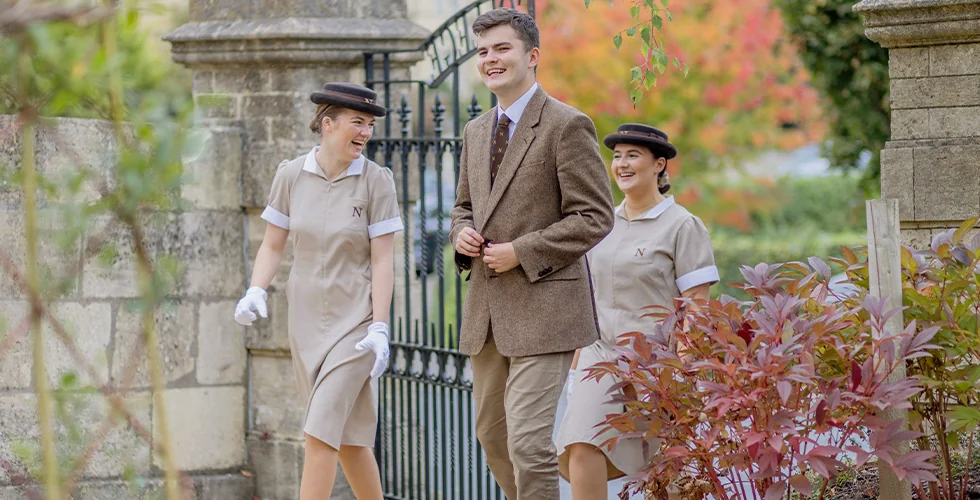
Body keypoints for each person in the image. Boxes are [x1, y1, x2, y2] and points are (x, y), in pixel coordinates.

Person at [449, 8, 615, 499]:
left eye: (502, 48)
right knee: (492, 439)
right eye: (483, 52)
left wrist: (522, 251)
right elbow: (463, 207)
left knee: (528, 442)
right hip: (487, 314)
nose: (491, 59)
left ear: (532, 55)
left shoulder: (568, 124)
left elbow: (594, 216)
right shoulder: (475, 132)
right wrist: (461, 235)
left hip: (547, 310)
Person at [233, 82, 402, 500]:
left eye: (369, 125)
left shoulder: (377, 181)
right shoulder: (290, 175)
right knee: (347, 439)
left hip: (355, 325)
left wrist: (380, 325)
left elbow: (383, 260)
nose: (365, 132)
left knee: (320, 429)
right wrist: (256, 289)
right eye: (357, 123)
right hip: (305, 324)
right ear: (327, 124)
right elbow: (273, 245)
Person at [555, 123, 719, 499]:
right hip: (601, 356)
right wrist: (577, 366)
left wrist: (682, 369)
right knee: (580, 445)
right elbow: (589, 300)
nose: (622, 164)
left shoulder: (683, 225)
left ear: (659, 165)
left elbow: (697, 306)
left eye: (633, 156)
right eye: (617, 157)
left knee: (666, 469)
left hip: (656, 362)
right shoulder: (602, 224)